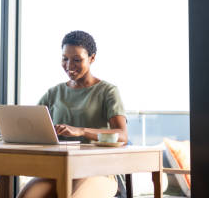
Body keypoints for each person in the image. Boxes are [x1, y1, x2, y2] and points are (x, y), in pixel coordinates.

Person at [18, 30, 128, 198]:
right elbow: (32, 126)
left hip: (100, 171)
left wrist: (82, 131)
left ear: (92, 58)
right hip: (59, 170)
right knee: (27, 195)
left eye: (77, 60)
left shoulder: (108, 91)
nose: (69, 65)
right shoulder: (54, 93)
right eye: (65, 59)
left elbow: (121, 135)